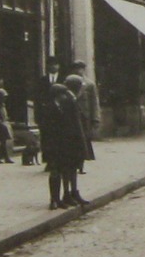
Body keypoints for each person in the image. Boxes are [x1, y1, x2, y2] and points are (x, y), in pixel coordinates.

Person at [40, 80, 89, 208]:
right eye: (62, 94)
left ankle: (60, 199)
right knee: (55, 172)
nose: (64, 96)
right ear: (57, 95)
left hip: (62, 145)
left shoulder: (62, 106)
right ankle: (54, 199)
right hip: (52, 146)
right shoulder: (49, 108)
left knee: (62, 169)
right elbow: (46, 130)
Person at [63, 74, 96, 169]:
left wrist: (94, 119)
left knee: (82, 142)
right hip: (73, 123)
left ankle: (81, 164)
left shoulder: (85, 88)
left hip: (83, 119)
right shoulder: (67, 96)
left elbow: (93, 103)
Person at [69, 60, 100, 160]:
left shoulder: (89, 84)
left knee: (85, 138)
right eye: (76, 69)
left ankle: (83, 159)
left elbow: (94, 102)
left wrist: (95, 118)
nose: (78, 71)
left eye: (80, 69)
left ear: (84, 70)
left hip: (85, 115)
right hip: (72, 114)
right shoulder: (69, 82)